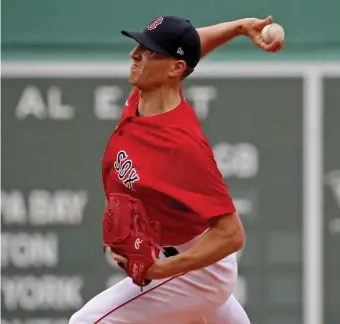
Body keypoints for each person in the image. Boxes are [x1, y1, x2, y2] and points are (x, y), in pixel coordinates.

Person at [69, 15, 283, 324]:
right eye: (140, 46)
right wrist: (237, 29)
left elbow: (232, 234)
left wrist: (161, 270)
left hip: (195, 272)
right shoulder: (144, 99)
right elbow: (189, 47)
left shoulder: (182, 147)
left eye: (149, 51)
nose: (135, 55)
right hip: (182, 261)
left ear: (174, 69)